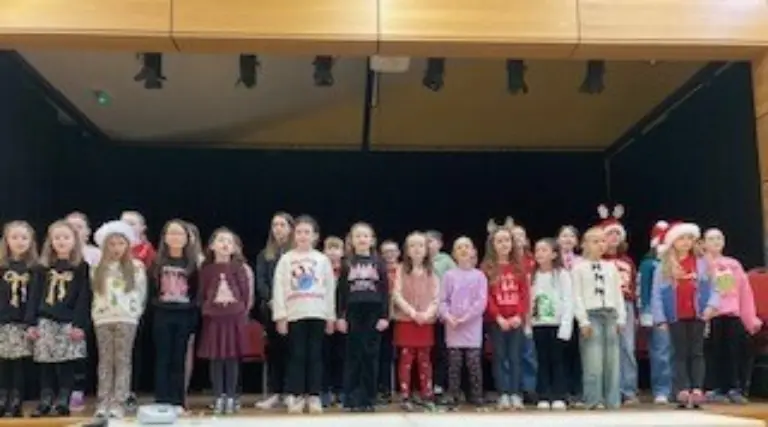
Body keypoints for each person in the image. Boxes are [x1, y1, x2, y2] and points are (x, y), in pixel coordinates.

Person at [272, 215, 335, 414]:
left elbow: (330, 289)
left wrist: (330, 316)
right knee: (296, 355)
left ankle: (314, 395)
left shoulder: (322, 260)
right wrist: (280, 315)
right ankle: (296, 394)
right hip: (294, 314)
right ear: (294, 235)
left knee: (315, 355)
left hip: (317, 312)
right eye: (299, 232)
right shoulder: (286, 259)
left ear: (315, 236)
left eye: (307, 232)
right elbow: (279, 288)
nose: (303, 236)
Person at [28, 220, 91, 417]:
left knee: (66, 364)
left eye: (66, 237)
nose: (61, 241)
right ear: (50, 241)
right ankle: (45, 399)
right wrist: (31, 323)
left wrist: (80, 324)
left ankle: (64, 399)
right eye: (57, 238)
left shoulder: (81, 267)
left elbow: (84, 298)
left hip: (69, 322)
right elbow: (34, 296)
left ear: (74, 241)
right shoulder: (42, 268)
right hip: (45, 320)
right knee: (46, 363)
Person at [651, 221, 718, 409]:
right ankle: (682, 389)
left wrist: (712, 305)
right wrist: (660, 318)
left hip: (698, 314)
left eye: (689, 238)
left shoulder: (703, 263)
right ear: (673, 242)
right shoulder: (664, 266)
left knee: (696, 352)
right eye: (681, 238)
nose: (686, 242)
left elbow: (717, 286)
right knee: (679, 353)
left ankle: (697, 389)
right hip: (675, 316)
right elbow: (656, 294)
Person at [91, 221, 147, 419]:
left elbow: (141, 293)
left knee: (123, 360)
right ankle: (103, 401)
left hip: (126, 318)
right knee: (105, 360)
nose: (116, 248)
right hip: (103, 318)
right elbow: (94, 292)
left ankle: (119, 402)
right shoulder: (97, 267)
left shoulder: (137, 267)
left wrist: (134, 313)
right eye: (112, 244)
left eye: (120, 244)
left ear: (127, 245)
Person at [702, 228, 761, 403]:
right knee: (713, 352)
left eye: (719, 238)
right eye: (711, 239)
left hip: (731, 314)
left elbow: (744, 292)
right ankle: (714, 388)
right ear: (703, 243)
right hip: (709, 315)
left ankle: (734, 387)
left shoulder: (732, 264)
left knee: (733, 352)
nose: (715, 242)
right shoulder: (700, 264)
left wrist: (749, 319)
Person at [337, 223, 390, 412]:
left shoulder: (379, 263)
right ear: (352, 240)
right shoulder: (347, 263)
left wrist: (385, 316)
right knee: (353, 356)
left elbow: (385, 291)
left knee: (370, 356)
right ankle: (351, 399)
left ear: (372, 240)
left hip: (373, 313)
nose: (362, 239)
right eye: (358, 236)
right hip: (353, 313)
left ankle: (368, 399)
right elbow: (341, 292)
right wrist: (340, 316)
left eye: (365, 236)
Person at [572, 226, 626, 410]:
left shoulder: (611, 267)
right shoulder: (578, 268)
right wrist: (583, 320)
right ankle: (594, 400)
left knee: (612, 361)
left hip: (610, 314)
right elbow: (577, 296)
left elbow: (618, 294)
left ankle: (612, 400)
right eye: (595, 241)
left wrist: (621, 318)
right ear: (585, 244)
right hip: (591, 315)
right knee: (593, 361)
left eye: (603, 241)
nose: (600, 245)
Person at [197, 228, 250, 415]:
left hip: (233, 318)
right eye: (221, 240)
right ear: (212, 246)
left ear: (234, 248)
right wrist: (207, 309)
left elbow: (245, 293)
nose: (225, 244)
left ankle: (231, 396)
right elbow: (202, 293)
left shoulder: (239, 269)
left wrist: (240, 310)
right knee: (217, 357)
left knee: (231, 357)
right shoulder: (206, 270)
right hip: (214, 319)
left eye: (229, 241)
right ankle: (218, 395)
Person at [150, 220, 200, 414]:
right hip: (162, 314)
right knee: (163, 357)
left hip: (184, 315)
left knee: (179, 358)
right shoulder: (157, 262)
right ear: (165, 237)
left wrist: (191, 312)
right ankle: (162, 399)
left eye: (179, 234)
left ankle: (177, 400)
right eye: (171, 233)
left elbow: (197, 292)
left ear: (187, 238)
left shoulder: (192, 263)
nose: (175, 237)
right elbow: (151, 290)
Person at [483, 222, 529, 410]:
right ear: (493, 245)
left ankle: (515, 393)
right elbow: (487, 296)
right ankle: (503, 393)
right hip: (497, 322)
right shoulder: (487, 268)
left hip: (516, 320)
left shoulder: (519, 267)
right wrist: (498, 317)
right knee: (500, 356)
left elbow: (524, 295)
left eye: (507, 240)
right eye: (499, 241)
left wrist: (519, 315)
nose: (504, 244)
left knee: (515, 357)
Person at [392, 232, 438, 411]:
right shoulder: (401, 269)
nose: (417, 249)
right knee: (406, 358)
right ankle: (405, 394)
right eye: (412, 245)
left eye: (420, 245)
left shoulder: (431, 271)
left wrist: (426, 314)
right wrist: (412, 312)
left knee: (424, 358)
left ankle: (427, 393)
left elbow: (436, 297)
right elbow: (397, 294)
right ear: (406, 250)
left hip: (425, 321)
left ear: (426, 249)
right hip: (406, 320)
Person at [439, 236, 487, 409]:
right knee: (454, 363)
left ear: (473, 251)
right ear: (454, 253)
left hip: (472, 326)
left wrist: (466, 318)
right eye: (459, 247)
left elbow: (481, 301)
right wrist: (448, 316)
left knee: (473, 363)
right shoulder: (448, 276)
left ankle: (476, 395)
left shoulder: (479, 276)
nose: (464, 250)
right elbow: (442, 300)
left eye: (467, 246)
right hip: (453, 326)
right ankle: (453, 393)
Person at [597, 204, 638, 405]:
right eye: (609, 234)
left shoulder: (628, 261)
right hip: (605, 305)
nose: (614, 237)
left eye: (617, 234)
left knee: (627, 347)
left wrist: (636, 311)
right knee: (605, 348)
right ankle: (609, 390)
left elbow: (633, 286)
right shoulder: (598, 261)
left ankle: (628, 390)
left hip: (626, 304)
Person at [255, 212, 294, 410]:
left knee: (292, 351)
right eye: (275, 225)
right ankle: (276, 392)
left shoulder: (296, 254)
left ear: (291, 228)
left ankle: (291, 391)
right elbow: (261, 281)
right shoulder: (265, 255)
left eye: (282, 224)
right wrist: (272, 300)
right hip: (271, 309)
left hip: (294, 309)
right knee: (275, 351)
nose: (278, 228)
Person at [529, 238, 573, 410]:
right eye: (537, 250)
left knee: (557, 360)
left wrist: (565, 326)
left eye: (544, 250)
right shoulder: (532, 275)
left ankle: (559, 394)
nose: (539, 253)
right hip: (538, 324)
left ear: (554, 254)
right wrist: (528, 324)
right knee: (542, 360)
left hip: (557, 324)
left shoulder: (562, 274)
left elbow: (568, 300)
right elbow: (529, 301)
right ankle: (543, 395)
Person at [0, 221, 38, 417]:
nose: (19, 241)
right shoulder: (2, 267)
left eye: (24, 238)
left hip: (22, 321)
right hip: (3, 321)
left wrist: (30, 322)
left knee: (17, 363)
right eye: (14, 237)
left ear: (31, 241)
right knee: (3, 362)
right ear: (6, 240)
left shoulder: (35, 268)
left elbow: (34, 298)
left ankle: (16, 398)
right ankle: (2, 396)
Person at [65, 211, 100, 412]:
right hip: (64, 308)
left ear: (88, 231)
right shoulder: (59, 252)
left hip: (90, 306)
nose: (74, 231)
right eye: (70, 226)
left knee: (83, 350)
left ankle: (80, 390)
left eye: (79, 227)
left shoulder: (95, 254)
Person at [121, 210, 155, 410]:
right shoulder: (114, 249)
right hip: (115, 307)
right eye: (124, 223)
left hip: (139, 307)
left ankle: (131, 390)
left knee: (134, 350)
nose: (128, 226)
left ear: (143, 228)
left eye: (132, 223)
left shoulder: (148, 252)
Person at [637, 221, 673, 404]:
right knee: (661, 352)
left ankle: (679, 388)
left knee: (679, 353)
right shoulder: (649, 264)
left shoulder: (679, 263)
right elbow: (644, 288)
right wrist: (645, 311)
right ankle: (662, 389)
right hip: (657, 313)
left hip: (678, 313)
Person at [425, 230, 455, 399]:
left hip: (442, 313)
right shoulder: (419, 261)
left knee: (441, 350)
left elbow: (455, 285)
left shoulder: (446, 261)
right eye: (426, 241)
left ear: (440, 244)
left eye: (431, 241)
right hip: (424, 313)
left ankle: (439, 383)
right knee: (426, 350)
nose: (428, 245)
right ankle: (425, 383)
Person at [557, 225, 583, 406]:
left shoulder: (581, 261)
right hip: (559, 312)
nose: (567, 239)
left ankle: (577, 391)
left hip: (578, 310)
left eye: (571, 236)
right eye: (564, 236)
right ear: (558, 240)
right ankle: (562, 390)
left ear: (576, 241)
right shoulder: (553, 261)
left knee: (577, 351)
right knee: (561, 351)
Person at [321, 236, 345, 407]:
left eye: (336, 248)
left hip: (342, 319)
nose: (333, 252)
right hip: (323, 318)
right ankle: (324, 390)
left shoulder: (347, 270)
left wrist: (341, 316)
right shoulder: (319, 270)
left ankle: (341, 389)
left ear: (342, 252)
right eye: (329, 248)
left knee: (342, 356)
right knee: (324, 356)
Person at [378, 239, 400, 403]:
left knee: (402, 354)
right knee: (384, 353)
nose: (389, 255)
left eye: (392, 251)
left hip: (402, 316)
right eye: (386, 252)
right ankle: (383, 388)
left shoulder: (403, 270)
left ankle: (402, 389)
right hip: (383, 317)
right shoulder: (378, 270)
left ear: (398, 253)